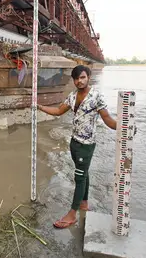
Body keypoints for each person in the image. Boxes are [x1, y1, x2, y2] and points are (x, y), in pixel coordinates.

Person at [36, 64, 116, 229]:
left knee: (79, 177)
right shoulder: (72, 97)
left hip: (86, 145)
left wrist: (123, 126)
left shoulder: (96, 96)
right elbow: (59, 111)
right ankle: (84, 204)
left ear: (88, 77)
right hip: (74, 142)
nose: (79, 81)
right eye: (76, 78)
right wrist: (40, 107)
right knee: (83, 173)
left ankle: (72, 214)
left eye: (82, 77)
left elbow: (107, 118)